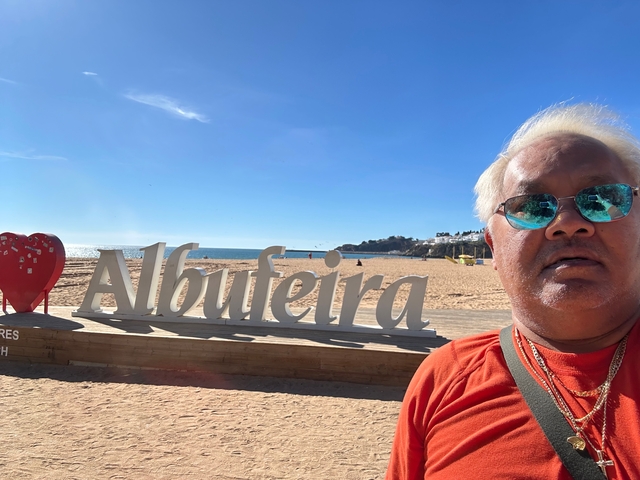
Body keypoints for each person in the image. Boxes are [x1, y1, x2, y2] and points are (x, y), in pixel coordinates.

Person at [386, 103, 640, 479]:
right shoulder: (445, 379)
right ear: (493, 246)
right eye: (532, 206)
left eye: (602, 199)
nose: (568, 223)